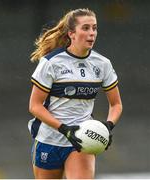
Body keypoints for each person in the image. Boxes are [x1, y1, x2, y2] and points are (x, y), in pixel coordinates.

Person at [28, 8, 123, 179]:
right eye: (85, 28)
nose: (92, 33)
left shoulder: (102, 64)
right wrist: (63, 129)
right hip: (49, 140)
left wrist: (108, 126)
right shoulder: (51, 63)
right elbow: (35, 106)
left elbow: (116, 104)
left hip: (81, 141)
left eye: (94, 28)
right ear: (71, 33)